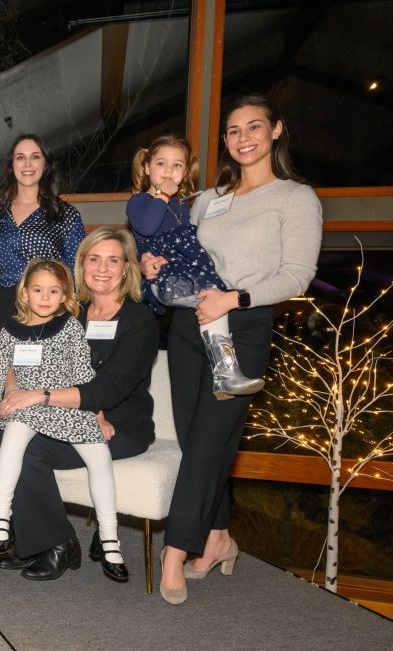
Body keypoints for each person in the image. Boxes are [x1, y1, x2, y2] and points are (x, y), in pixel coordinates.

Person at [154, 94, 322, 605]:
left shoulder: (296, 198)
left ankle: (175, 551)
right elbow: (181, 248)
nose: (243, 137)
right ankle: (220, 535)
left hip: (242, 327)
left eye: (253, 127)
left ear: (275, 131)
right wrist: (155, 265)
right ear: (225, 141)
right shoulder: (209, 198)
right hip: (188, 326)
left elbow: (298, 274)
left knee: (210, 440)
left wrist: (236, 297)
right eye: (232, 130)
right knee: (196, 438)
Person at [0, 228, 158, 582]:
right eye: (94, 259)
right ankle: (25, 540)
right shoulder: (70, 312)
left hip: (117, 423)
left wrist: (38, 396)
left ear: (126, 269)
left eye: (113, 260)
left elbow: (108, 387)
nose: (102, 268)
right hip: (57, 411)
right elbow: (16, 359)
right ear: (82, 266)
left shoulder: (139, 321)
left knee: (29, 449)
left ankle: (59, 544)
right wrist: (11, 395)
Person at [127, 135, 263, 399]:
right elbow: (146, 227)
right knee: (213, 299)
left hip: (190, 274)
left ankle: (225, 376)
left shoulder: (184, 206)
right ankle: (226, 375)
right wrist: (162, 194)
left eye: (177, 166)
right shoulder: (141, 201)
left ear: (186, 171)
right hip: (165, 279)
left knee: (215, 301)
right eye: (161, 164)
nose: (169, 171)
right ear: (146, 167)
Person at [0, 134, 86, 355]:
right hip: (0, 307)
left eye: (35, 156)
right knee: (3, 381)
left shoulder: (66, 215)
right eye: (20, 157)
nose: (27, 163)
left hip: (47, 306)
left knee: (43, 380)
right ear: (11, 165)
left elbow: (76, 272)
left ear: (45, 164)